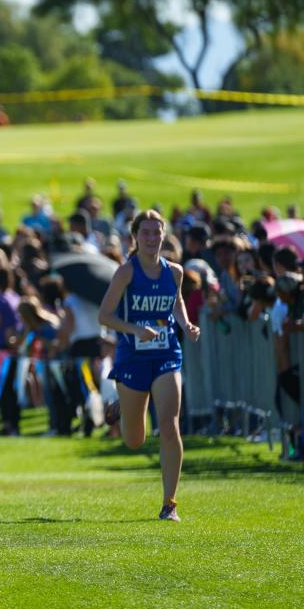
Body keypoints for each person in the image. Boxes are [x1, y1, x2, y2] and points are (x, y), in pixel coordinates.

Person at [98, 209, 200, 522]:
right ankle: (122, 406)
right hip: (133, 356)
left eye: (157, 233)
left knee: (169, 425)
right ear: (135, 237)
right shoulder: (126, 272)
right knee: (134, 440)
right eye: (146, 233)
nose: (152, 239)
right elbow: (105, 316)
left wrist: (185, 324)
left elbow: (176, 302)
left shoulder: (175, 272)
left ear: (164, 235)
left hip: (167, 353)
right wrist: (135, 330)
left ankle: (170, 503)